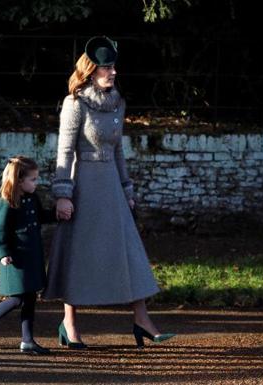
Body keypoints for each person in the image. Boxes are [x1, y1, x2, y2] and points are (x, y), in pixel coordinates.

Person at [43, 36, 176, 349]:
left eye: (113, 66)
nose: (113, 72)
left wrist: (126, 188)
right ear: (91, 71)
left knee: (128, 252)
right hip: (83, 187)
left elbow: (118, 153)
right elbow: (64, 151)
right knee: (78, 254)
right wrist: (63, 193)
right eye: (106, 67)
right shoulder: (75, 103)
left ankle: (142, 320)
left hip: (111, 188)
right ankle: (69, 324)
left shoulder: (118, 102)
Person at [0, 156, 54, 355]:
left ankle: (27, 341)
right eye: (33, 179)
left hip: (32, 256)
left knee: (30, 297)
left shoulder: (32, 197)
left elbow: (40, 216)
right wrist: (3, 254)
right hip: (15, 258)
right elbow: (0, 230)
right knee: (17, 298)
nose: (37, 182)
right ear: (19, 180)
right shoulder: (7, 201)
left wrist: (57, 214)